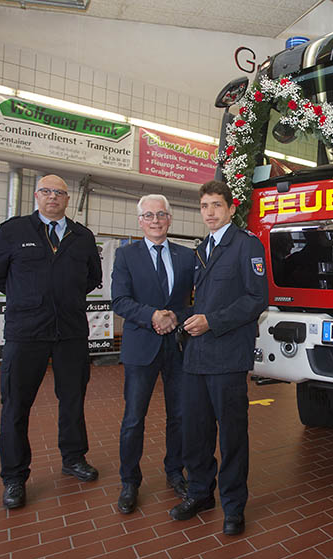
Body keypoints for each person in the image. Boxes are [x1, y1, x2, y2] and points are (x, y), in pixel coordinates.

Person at [0, 174, 102, 509]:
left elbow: (93, 277)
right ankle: (14, 477)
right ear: (37, 196)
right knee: (16, 405)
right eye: (47, 191)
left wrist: (64, 297)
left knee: (73, 399)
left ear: (67, 198)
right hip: (26, 331)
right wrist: (27, 296)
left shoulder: (82, 236)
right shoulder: (14, 231)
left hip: (71, 332)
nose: (53, 197)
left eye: (60, 193)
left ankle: (74, 457)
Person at [169, 180, 268, 536]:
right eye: (204, 206)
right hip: (195, 356)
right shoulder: (200, 250)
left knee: (232, 436)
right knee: (195, 432)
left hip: (227, 355)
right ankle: (199, 493)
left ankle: (233, 505)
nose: (209, 212)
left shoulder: (246, 246)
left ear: (231, 207)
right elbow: (200, 299)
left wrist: (212, 321)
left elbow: (256, 299)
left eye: (215, 205)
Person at [111, 194, 195, 514]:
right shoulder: (126, 255)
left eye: (161, 214)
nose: (155, 220)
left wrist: (177, 316)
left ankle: (175, 471)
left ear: (170, 219)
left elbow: (198, 299)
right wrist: (152, 316)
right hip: (140, 347)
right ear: (140, 221)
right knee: (134, 418)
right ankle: (129, 481)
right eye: (149, 216)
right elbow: (119, 300)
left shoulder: (187, 257)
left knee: (180, 415)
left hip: (177, 346)